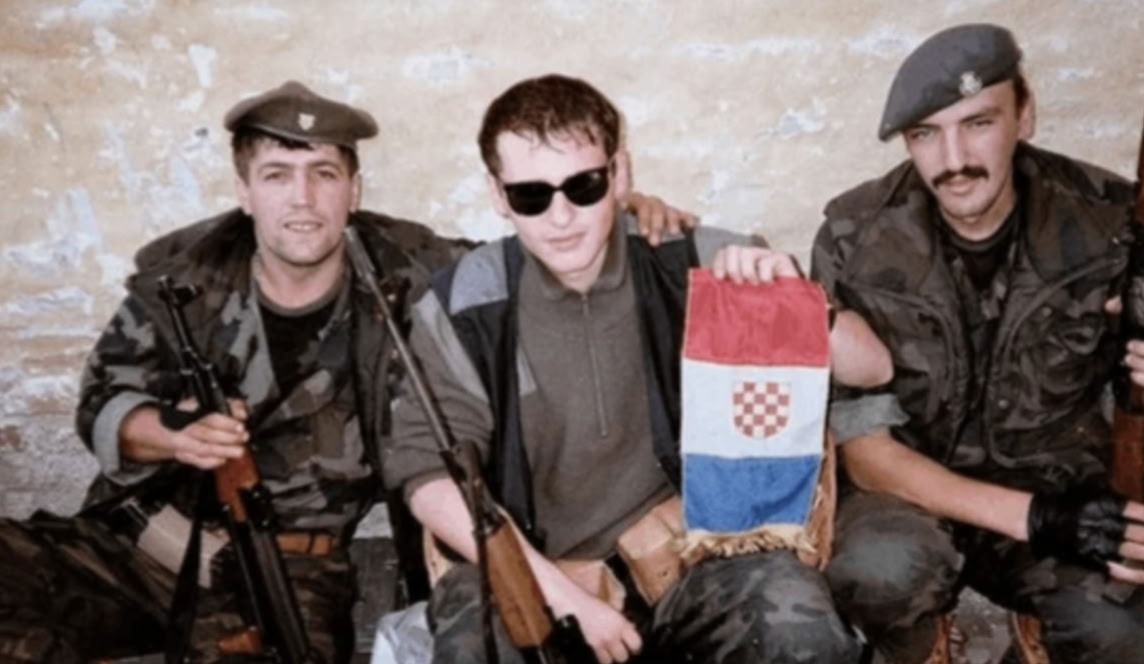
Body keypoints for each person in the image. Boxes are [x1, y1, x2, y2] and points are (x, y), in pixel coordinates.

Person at [0, 80, 691, 664]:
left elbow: (540, 236)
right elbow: (101, 402)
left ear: (353, 189)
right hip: (131, 542)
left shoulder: (410, 267)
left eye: (324, 175)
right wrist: (172, 434)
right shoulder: (184, 280)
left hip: (284, 569)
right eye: (277, 175)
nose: (302, 199)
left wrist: (623, 212)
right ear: (245, 190)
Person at [384, 73, 893, 664]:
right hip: (537, 580)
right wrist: (568, 601)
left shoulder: (694, 263)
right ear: (498, 195)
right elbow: (428, 479)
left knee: (795, 620)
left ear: (619, 173)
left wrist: (796, 303)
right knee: (472, 638)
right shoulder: (469, 305)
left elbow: (873, 368)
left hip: (688, 567)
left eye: (584, 186)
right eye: (531, 195)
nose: (561, 216)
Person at [811, 23, 1144, 664]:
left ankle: (1041, 635)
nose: (954, 159)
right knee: (875, 574)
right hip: (906, 495)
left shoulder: (1110, 224)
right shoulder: (855, 239)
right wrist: (1037, 519)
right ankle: (918, 640)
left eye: (978, 123)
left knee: (1127, 627)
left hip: (1056, 486)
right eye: (926, 134)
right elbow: (866, 454)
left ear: (1025, 115)